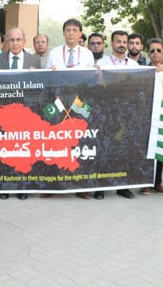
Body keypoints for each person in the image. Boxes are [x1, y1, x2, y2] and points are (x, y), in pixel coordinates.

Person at [46, 19, 94, 199]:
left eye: (75, 30)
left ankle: (80, 185)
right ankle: (52, 185)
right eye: (68, 30)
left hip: (78, 103)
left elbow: (90, 80)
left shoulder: (88, 54)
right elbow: (46, 79)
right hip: (59, 102)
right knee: (56, 142)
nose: (71, 33)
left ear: (81, 33)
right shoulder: (55, 53)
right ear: (64, 33)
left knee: (79, 145)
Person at [0, 28, 40, 201]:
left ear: (24, 41)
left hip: (26, 113)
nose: (15, 43)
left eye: (19, 39)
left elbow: (41, 87)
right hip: (5, 113)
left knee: (24, 150)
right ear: (7, 42)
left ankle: (22, 186)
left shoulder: (35, 60)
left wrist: (37, 76)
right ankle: (4, 185)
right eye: (12, 40)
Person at [95, 30, 141, 200]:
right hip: (108, 113)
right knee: (105, 148)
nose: (122, 44)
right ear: (112, 43)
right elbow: (97, 86)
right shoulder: (102, 62)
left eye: (124, 41)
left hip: (127, 113)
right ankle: (101, 186)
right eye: (118, 41)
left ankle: (123, 187)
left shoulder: (135, 66)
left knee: (124, 150)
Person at [139, 37, 163, 196]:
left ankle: (157, 182)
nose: (155, 54)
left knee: (159, 149)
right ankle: (145, 182)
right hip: (146, 113)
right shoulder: (143, 69)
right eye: (152, 51)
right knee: (146, 148)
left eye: (158, 51)